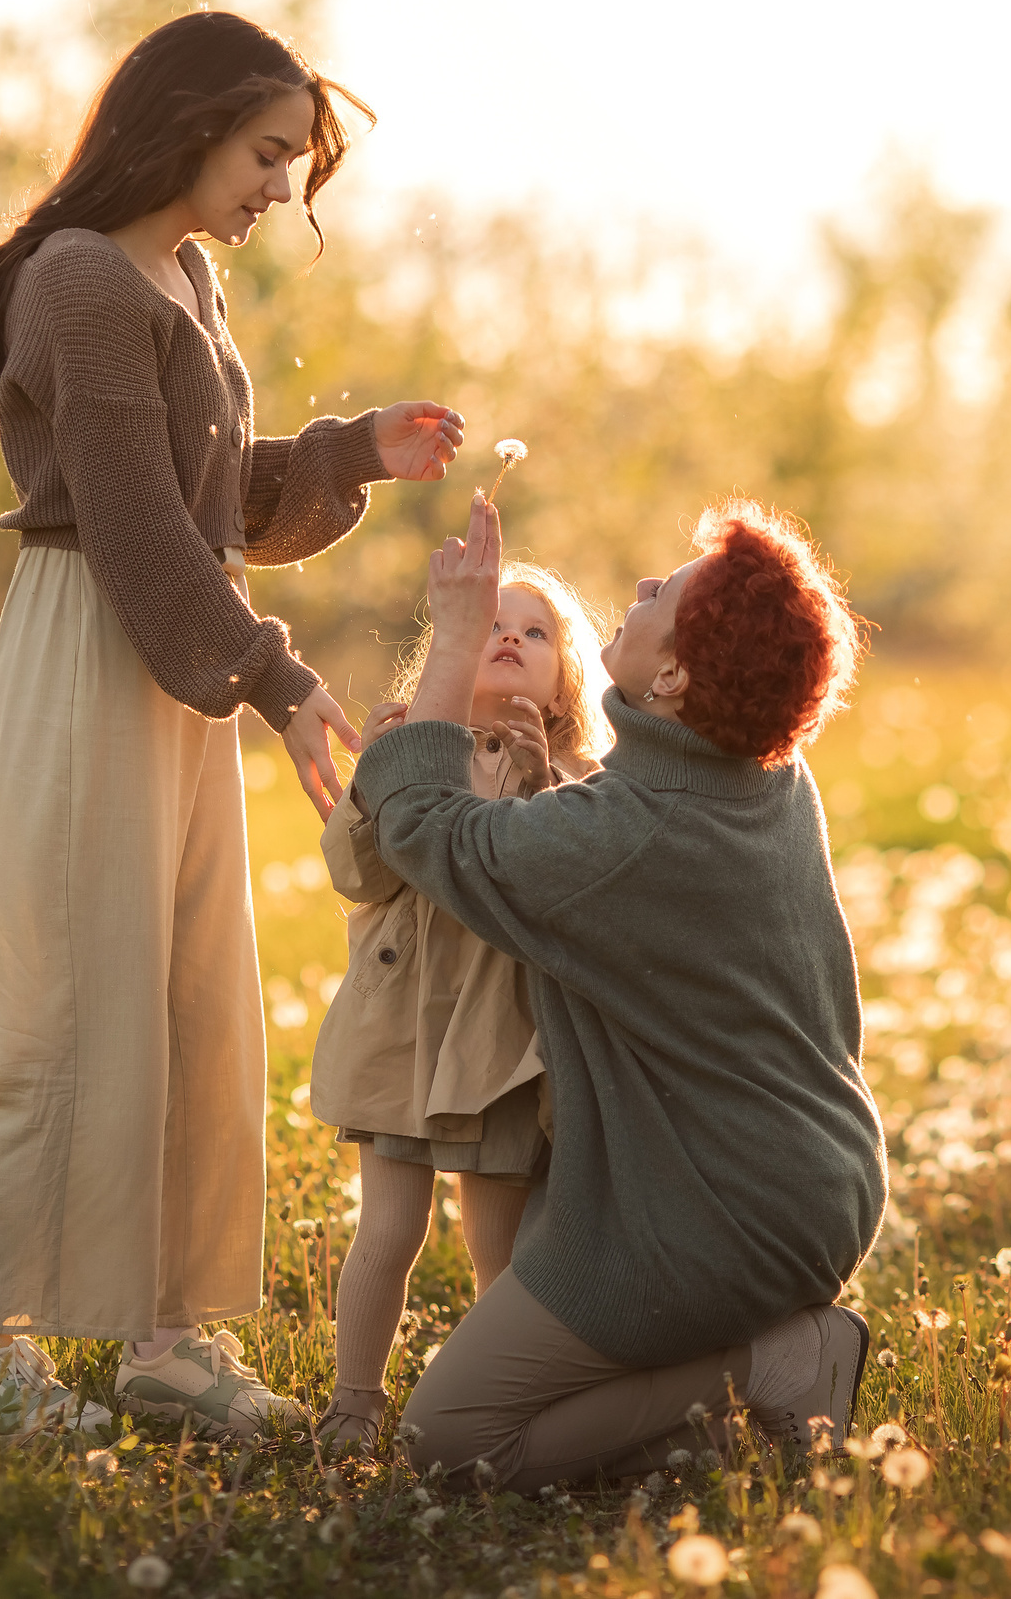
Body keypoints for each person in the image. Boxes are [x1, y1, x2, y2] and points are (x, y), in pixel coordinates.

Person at [0, 9, 465, 1442]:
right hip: (102, 638)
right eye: (268, 150)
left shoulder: (189, 279)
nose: (282, 186)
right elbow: (137, 529)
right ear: (187, 123)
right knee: (77, 995)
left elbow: (216, 510)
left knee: (191, 992)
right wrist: (275, 676)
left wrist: (354, 454)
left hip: (178, 651)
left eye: (294, 159)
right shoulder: (81, 282)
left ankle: (168, 1338)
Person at [343, 492, 886, 1493]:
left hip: (708, 1212)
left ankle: (770, 1366)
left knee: (454, 1434)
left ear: (674, 675)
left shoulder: (627, 835)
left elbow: (427, 828)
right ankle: (754, 1348)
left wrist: (456, 641)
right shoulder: (767, 766)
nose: (638, 587)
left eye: (661, 592)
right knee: (537, 1383)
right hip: (813, 1176)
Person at [308, 563, 616, 1450]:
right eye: (492, 622)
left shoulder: (577, 774)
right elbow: (354, 873)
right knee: (389, 1229)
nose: (511, 636)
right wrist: (377, 780)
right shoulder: (417, 745)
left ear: (568, 679)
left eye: (538, 629)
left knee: (500, 1244)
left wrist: (538, 779)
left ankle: (503, 1394)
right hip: (400, 1030)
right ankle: (355, 1399)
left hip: (500, 1043)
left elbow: (570, 882)